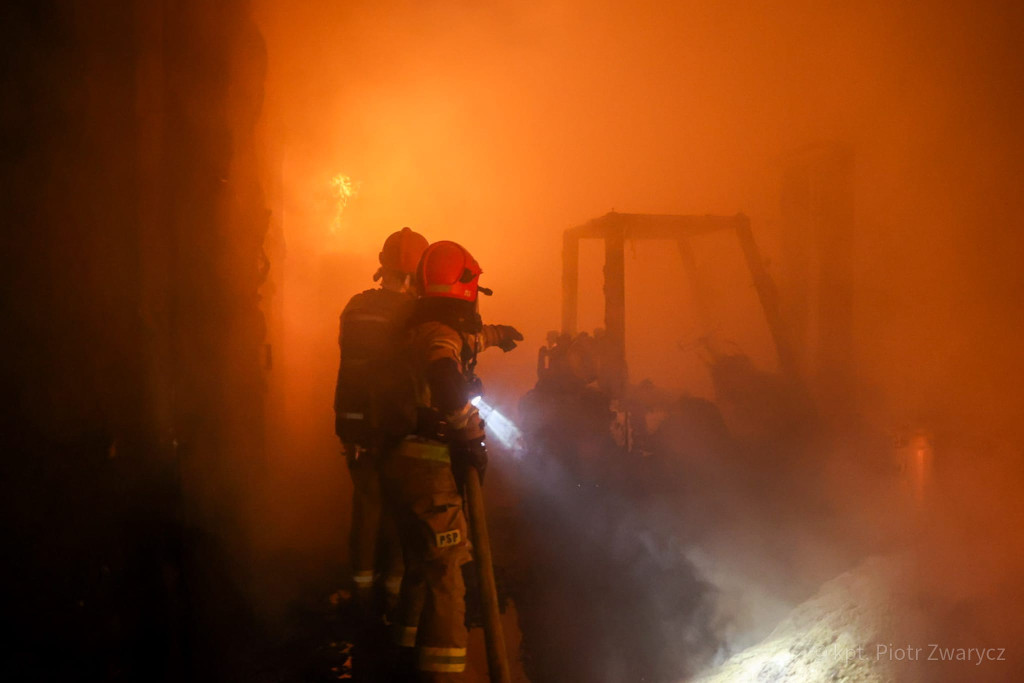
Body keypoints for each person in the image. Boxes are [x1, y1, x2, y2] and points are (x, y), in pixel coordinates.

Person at [381, 240, 519, 681]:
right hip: (430, 471)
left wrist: (496, 335)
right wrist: (470, 432)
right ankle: (443, 674)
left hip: (403, 467)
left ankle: (404, 660)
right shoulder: (439, 336)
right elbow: (445, 374)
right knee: (446, 575)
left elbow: (458, 341)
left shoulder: (421, 326)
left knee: (421, 567)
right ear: (465, 286)